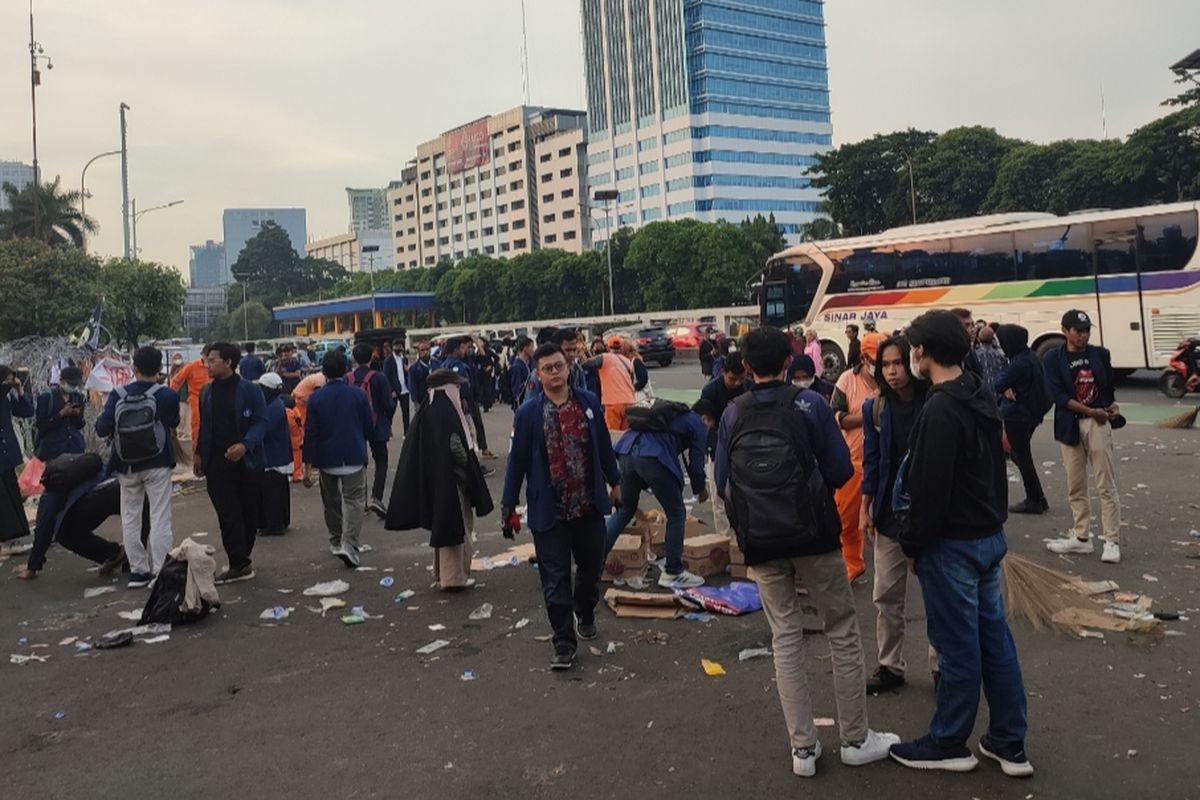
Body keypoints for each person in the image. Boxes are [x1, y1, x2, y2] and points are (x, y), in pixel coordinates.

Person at [714, 327, 898, 778]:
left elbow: (722, 483)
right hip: (814, 537)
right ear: (788, 360)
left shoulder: (732, 413)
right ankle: (855, 738)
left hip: (761, 542)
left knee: (785, 638)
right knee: (841, 629)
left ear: (746, 366)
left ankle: (803, 749)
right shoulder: (810, 405)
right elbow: (838, 470)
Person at [890, 309, 1031, 777]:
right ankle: (1009, 742)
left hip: (952, 545)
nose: (910, 356)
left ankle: (950, 740)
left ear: (924, 352)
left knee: (958, 647)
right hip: (988, 536)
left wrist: (912, 543)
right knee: (995, 641)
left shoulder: (940, 407)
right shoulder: (978, 392)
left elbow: (930, 491)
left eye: (913, 348)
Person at [500, 343, 621, 671]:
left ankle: (585, 610)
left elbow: (605, 450)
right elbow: (517, 462)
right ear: (537, 375)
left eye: (559, 366)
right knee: (554, 579)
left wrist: (615, 482)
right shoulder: (527, 414)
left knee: (590, 567)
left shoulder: (589, 404)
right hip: (549, 510)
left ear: (568, 368)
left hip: (588, 506)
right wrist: (508, 506)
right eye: (547, 368)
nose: (554, 373)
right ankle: (564, 642)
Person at [860, 335, 932, 694]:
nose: (891, 371)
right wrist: (865, 508)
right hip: (888, 517)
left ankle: (942, 668)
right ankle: (890, 666)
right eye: (885, 365)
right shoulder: (875, 409)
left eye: (898, 363)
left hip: (931, 517)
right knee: (886, 596)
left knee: (936, 595)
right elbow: (871, 462)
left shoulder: (933, 402)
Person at [387, 369, 493, 590]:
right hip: (452, 481)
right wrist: (469, 464)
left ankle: (441, 574)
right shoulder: (446, 411)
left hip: (438, 480)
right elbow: (456, 447)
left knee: (443, 526)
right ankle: (454, 578)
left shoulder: (429, 408)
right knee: (457, 528)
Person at [95, 347, 180, 588]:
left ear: (134, 368)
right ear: (159, 368)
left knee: (131, 518)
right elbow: (173, 421)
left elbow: (102, 428)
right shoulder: (167, 395)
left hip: (126, 465)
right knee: (160, 516)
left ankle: (138, 572)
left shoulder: (118, 394)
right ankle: (160, 570)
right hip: (158, 463)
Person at [1043, 309, 1122, 563]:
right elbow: (1059, 397)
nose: (1084, 335)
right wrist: (1091, 410)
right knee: (1075, 484)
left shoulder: (1100, 354)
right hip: (1071, 425)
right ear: (1065, 331)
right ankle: (1081, 537)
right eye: (1078, 331)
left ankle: (1111, 540)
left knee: (1105, 484)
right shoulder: (1053, 359)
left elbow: (1108, 387)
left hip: (1097, 425)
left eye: (1087, 330)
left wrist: (1111, 407)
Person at [604, 400, 709, 588]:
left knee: (625, 509)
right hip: (652, 456)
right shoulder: (698, 423)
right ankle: (673, 571)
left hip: (626, 451)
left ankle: (592, 562)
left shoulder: (670, 414)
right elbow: (696, 464)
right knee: (676, 513)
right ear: (707, 418)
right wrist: (700, 489)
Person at [195, 342, 267, 584]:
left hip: (246, 461)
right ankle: (238, 562)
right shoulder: (206, 392)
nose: (208, 364)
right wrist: (198, 454)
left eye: (213, 360)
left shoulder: (250, 390)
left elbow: (260, 422)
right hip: (216, 461)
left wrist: (245, 445)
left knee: (249, 512)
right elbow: (204, 426)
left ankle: (242, 558)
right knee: (228, 513)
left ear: (228, 362)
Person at [303, 351, 376, 568]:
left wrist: (307, 467)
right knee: (354, 501)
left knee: (331, 501)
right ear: (346, 369)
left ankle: (336, 540)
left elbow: (311, 434)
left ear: (322, 371)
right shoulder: (358, 395)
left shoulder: (315, 398)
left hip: (327, 458)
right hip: (353, 454)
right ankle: (350, 543)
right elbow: (368, 427)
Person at [14, 454, 134, 580]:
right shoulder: (76, 466)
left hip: (98, 498)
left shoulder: (52, 487)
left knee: (64, 534)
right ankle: (134, 560)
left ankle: (114, 554)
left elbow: (44, 527)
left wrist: (32, 566)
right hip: (120, 483)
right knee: (140, 518)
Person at [830, 331, 883, 582]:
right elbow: (837, 416)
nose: (882, 367)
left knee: (885, 519)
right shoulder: (846, 380)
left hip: (885, 461)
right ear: (863, 357)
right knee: (846, 520)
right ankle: (853, 563)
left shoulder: (891, 380)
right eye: (876, 360)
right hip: (854, 462)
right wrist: (868, 418)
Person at [994, 324, 1049, 515]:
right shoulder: (1030, 357)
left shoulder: (1018, 363)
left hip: (1018, 416)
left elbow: (997, 383)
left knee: (1022, 458)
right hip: (1030, 414)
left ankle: (1034, 499)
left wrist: (1006, 385)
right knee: (1020, 456)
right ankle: (1038, 496)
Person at [699, 352, 748, 538]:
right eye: (733, 379)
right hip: (717, 446)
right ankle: (724, 539)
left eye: (741, 379)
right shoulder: (710, 391)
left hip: (743, 447)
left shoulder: (748, 388)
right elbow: (706, 424)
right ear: (722, 373)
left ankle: (742, 537)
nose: (737, 383)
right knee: (719, 498)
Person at [349, 343, 397, 517]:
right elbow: (388, 404)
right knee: (381, 461)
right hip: (378, 425)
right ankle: (376, 497)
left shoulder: (348, 378)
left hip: (355, 426)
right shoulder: (379, 378)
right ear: (372, 357)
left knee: (360, 463)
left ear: (354, 358)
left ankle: (360, 500)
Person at [442, 335, 495, 459]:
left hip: (468, 400)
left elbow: (484, 358)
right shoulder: (455, 364)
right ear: (456, 349)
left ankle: (480, 451)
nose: (466, 350)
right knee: (466, 434)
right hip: (463, 402)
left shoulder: (466, 359)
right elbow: (461, 384)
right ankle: (471, 463)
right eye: (463, 347)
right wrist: (463, 398)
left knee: (472, 428)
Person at [0, 366, 35, 543]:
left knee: (12, 495)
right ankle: (8, 537)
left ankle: (19, 532)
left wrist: (20, 390)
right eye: (6, 381)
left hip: (7, 454)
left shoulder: (7, 397)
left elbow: (27, 411)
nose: (9, 384)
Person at [256, 373, 292, 536]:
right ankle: (281, 521)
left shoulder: (273, 407)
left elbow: (264, 430)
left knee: (271, 492)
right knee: (279, 490)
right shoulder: (276, 404)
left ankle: (274, 525)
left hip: (273, 456)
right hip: (279, 454)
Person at [35, 365, 86, 462]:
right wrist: (61, 414)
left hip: (74, 448)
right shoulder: (47, 397)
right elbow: (41, 426)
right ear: (61, 380)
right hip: (53, 452)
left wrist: (77, 415)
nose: (73, 387)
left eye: (75, 385)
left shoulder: (77, 397)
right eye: (71, 384)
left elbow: (79, 425)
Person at [582, 342, 637, 432]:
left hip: (613, 402)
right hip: (630, 401)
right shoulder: (627, 361)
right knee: (625, 434)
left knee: (612, 434)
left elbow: (587, 364)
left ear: (608, 347)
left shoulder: (606, 357)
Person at [169, 353, 211, 450]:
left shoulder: (213, 369)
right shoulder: (191, 367)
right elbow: (175, 382)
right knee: (191, 422)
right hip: (189, 400)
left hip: (206, 401)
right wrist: (172, 396)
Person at [383, 336, 412, 434]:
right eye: (397, 346)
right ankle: (387, 429)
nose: (399, 348)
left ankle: (406, 432)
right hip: (394, 390)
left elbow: (406, 373)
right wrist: (391, 390)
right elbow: (386, 377)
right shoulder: (388, 361)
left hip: (405, 389)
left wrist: (408, 370)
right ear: (393, 347)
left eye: (400, 346)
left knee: (406, 412)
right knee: (390, 410)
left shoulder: (404, 359)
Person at [973, 325, 1009, 392]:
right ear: (993, 339)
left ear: (978, 339)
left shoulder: (975, 355)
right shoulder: (1001, 355)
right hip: (998, 391)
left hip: (982, 391)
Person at [508, 336, 534, 409]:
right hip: (523, 404)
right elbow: (517, 390)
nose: (533, 350)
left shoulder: (528, 363)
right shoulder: (517, 366)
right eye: (531, 347)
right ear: (525, 348)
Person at [409, 340, 434, 413]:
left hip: (437, 402)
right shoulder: (414, 369)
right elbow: (412, 387)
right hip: (422, 402)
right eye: (422, 350)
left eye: (427, 349)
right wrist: (416, 403)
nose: (425, 352)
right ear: (419, 352)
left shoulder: (437, 364)